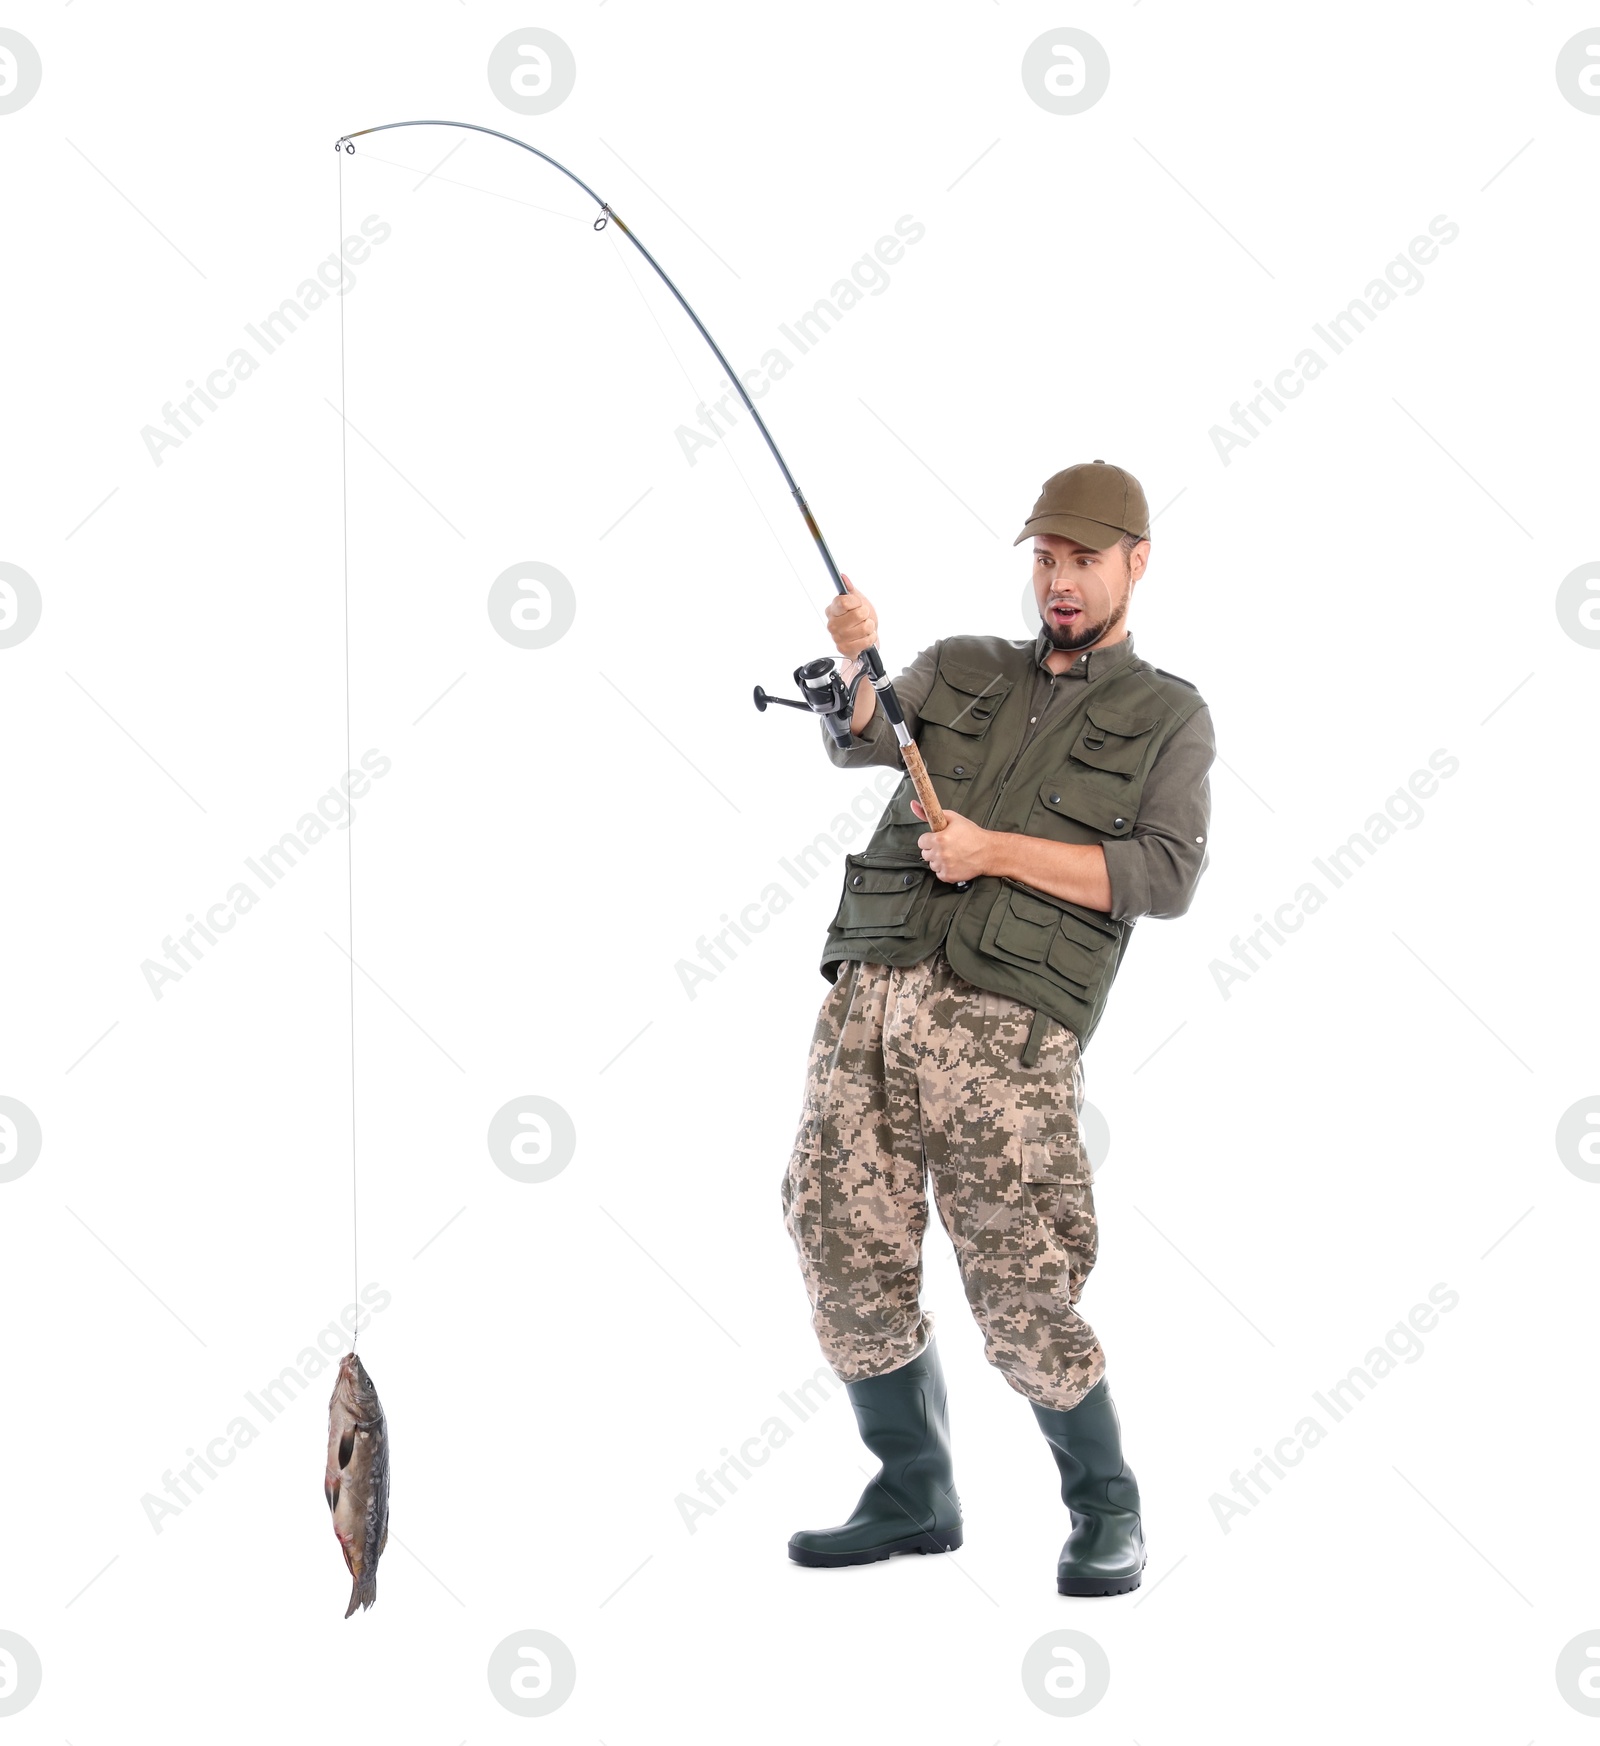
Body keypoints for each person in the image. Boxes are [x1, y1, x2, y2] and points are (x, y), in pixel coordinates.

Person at [781, 460, 1215, 1594]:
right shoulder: (964, 667)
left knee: (1020, 1271)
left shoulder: (1166, 714)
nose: (1060, 584)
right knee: (837, 1240)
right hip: (872, 995)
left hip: (1004, 1031)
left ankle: (1103, 1505)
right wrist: (853, 662)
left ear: (1136, 562)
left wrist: (995, 852)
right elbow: (868, 734)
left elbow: (1162, 876)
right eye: (1046, 560)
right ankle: (911, 1489)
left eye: (1082, 561)